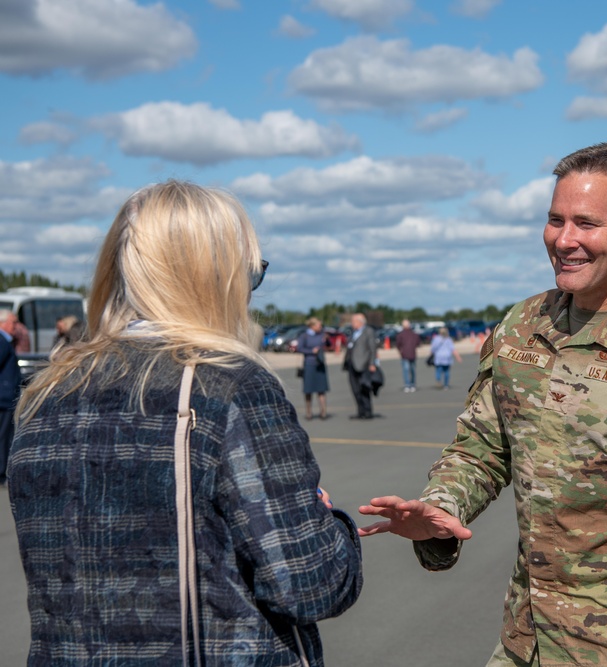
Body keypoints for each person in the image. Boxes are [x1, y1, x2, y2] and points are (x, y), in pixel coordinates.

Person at [359, 143, 607, 667]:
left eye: (586, 224)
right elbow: (481, 449)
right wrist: (442, 508)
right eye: (554, 220)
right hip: (528, 640)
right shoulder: (520, 327)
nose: (564, 240)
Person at [7, 180, 362, 665]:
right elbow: (309, 584)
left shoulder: (47, 392)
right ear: (215, 276)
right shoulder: (232, 386)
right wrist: (329, 522)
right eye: (250, 273)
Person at [343, 312, 379, 419]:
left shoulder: (368, 331)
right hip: (352, 364)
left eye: (353, 321)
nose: (352, 323)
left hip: (364, 364)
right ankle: (360, 411)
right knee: (355, 389)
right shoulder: (353, 332)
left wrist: (372, 363)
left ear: (360, 322)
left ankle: (368, 411)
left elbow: (373, 349)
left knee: (365, 388)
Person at [0, 309, 21, 486]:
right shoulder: (2, 341)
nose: (16, 326)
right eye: (13, 323)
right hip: (3, 397)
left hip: (5, 396)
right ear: (3, 323)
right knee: (3, 437)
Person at [296, 316, 329, 419]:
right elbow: (299, 348)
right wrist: (311, 351)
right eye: (319, 325)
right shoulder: (304, 336)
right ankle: (309, 412)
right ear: (312, 326)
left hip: (320, 363)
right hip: (309, 364)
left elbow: (329, 345)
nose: (320, 327)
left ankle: (323, 412)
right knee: (308, 390)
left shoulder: (322, 335)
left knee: (321, 389)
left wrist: (327, 340)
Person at [396, 319, 421, 392]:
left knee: (406, 370)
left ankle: (408, 385)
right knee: (411, 370)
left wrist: (401, 351)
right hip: (411, 354)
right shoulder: (413, 334)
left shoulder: (401, 334)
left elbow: (398, 345)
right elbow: (418, 343)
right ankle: (412, 384)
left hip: (405, 355)